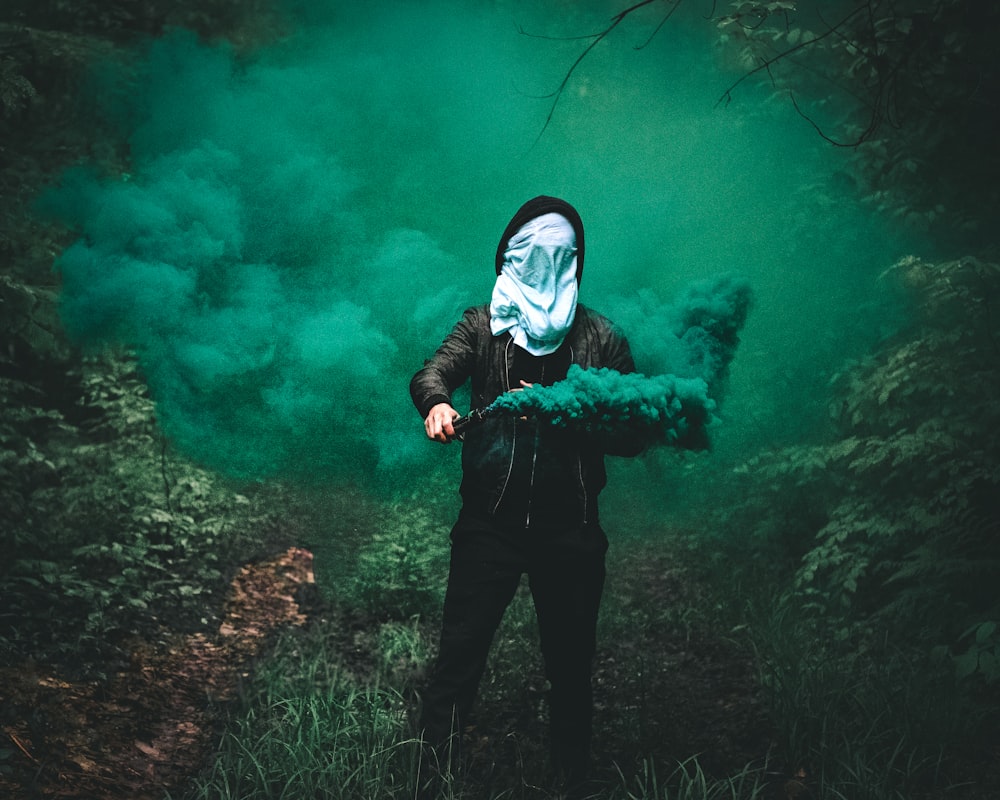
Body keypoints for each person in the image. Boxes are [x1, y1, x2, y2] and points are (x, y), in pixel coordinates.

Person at [409, 196, 646, 795]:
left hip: (572, 531)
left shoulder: (602, 338)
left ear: (577, 263)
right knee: (457, 664)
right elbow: (431, 373)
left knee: (571, 671)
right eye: (531, 252)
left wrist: (578, 417)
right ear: (508, 255)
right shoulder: (480, 324)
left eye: (559, 255)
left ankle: (569, 783)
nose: (545, 265)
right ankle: (430, 781)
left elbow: (635, 432)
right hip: (489, 525)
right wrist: (437, 403)